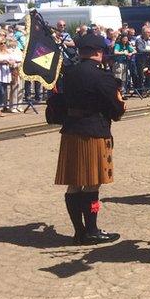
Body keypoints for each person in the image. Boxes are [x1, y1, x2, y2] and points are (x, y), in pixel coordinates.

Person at [53, 34, 125, 245]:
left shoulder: (70, 73)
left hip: (71, 131)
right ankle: (92, 229)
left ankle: (79, 231)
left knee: (74, 185)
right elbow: (115, 108)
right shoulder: (103, 76)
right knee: (93, 184)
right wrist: (120, 107)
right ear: (97, 52)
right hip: (94, 131)